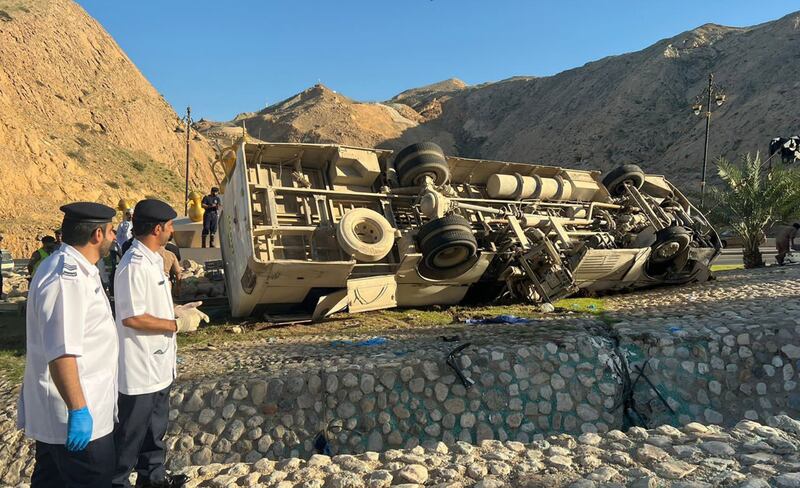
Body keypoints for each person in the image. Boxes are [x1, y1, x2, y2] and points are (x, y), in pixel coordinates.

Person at [17, 202, 118, 487]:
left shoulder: (76, 269)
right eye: (111, 231)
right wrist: (79, 411)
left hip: (68, 415)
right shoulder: (67, 279)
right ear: (97, 234)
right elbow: (61, 352)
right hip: (75, 420)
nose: (114, 237)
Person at [113, 199, 208, 488]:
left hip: (159, 365)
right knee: (130, 435)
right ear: (157, 228)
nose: (171, 232)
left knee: (155, 431)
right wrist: (176, 324)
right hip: (140, 369)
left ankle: (152, 480)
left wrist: (177, 311)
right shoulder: (134, 265)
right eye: (168, 227)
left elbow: (151, 306)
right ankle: (117, 482)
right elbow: (131, 317)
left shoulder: (155, 259)